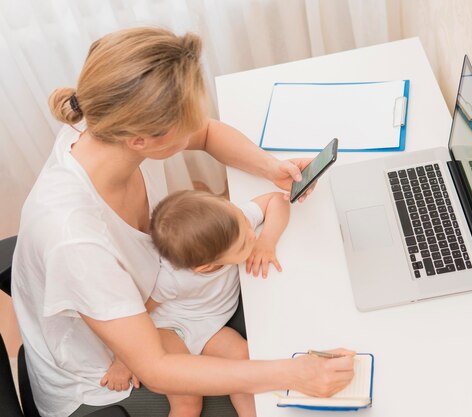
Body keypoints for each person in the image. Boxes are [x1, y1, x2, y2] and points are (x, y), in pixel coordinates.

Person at [11, 27, 354, 417]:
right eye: (184, 120)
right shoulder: (73, 238)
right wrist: (293, 374)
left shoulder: (107, 124)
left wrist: (270, 166)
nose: (196, 124)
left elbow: (206, 133)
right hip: (106, 380)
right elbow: (155, 367)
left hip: (159, 311)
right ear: (142, 139)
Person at [101, 189, 290, 417]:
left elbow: (276, 199)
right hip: (170, 331)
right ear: (207, 267)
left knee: (244, 358)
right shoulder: (173, 279)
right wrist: (123, 360)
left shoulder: (234, 225)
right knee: (188, 403)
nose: (251, 235)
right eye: (242, 246)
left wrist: (266, 241)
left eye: (248, 229)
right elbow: (137, 316)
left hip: (210, 327)